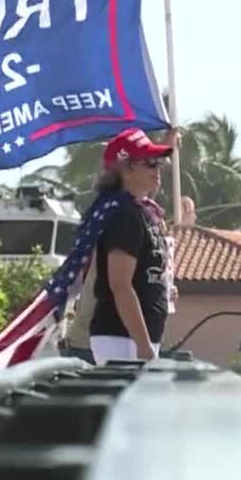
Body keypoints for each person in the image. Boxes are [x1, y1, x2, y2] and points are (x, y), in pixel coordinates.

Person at [87, 127, 177, 364]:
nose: (158, 169)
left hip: (135, 338)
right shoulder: (124, 216)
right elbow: (120, 285)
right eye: (150, 163)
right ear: (126, 169)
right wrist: (143, 345)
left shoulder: (142, 212)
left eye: (159, 163)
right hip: (122, 338)